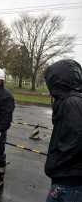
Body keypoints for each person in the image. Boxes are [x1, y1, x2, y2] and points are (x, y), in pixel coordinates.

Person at [43, 59, 82, 202]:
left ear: (59, 81)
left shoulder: (72, 102)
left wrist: (57, 163)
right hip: (69, 178)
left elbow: (75, 140)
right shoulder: (71, 100)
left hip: (69, 182)